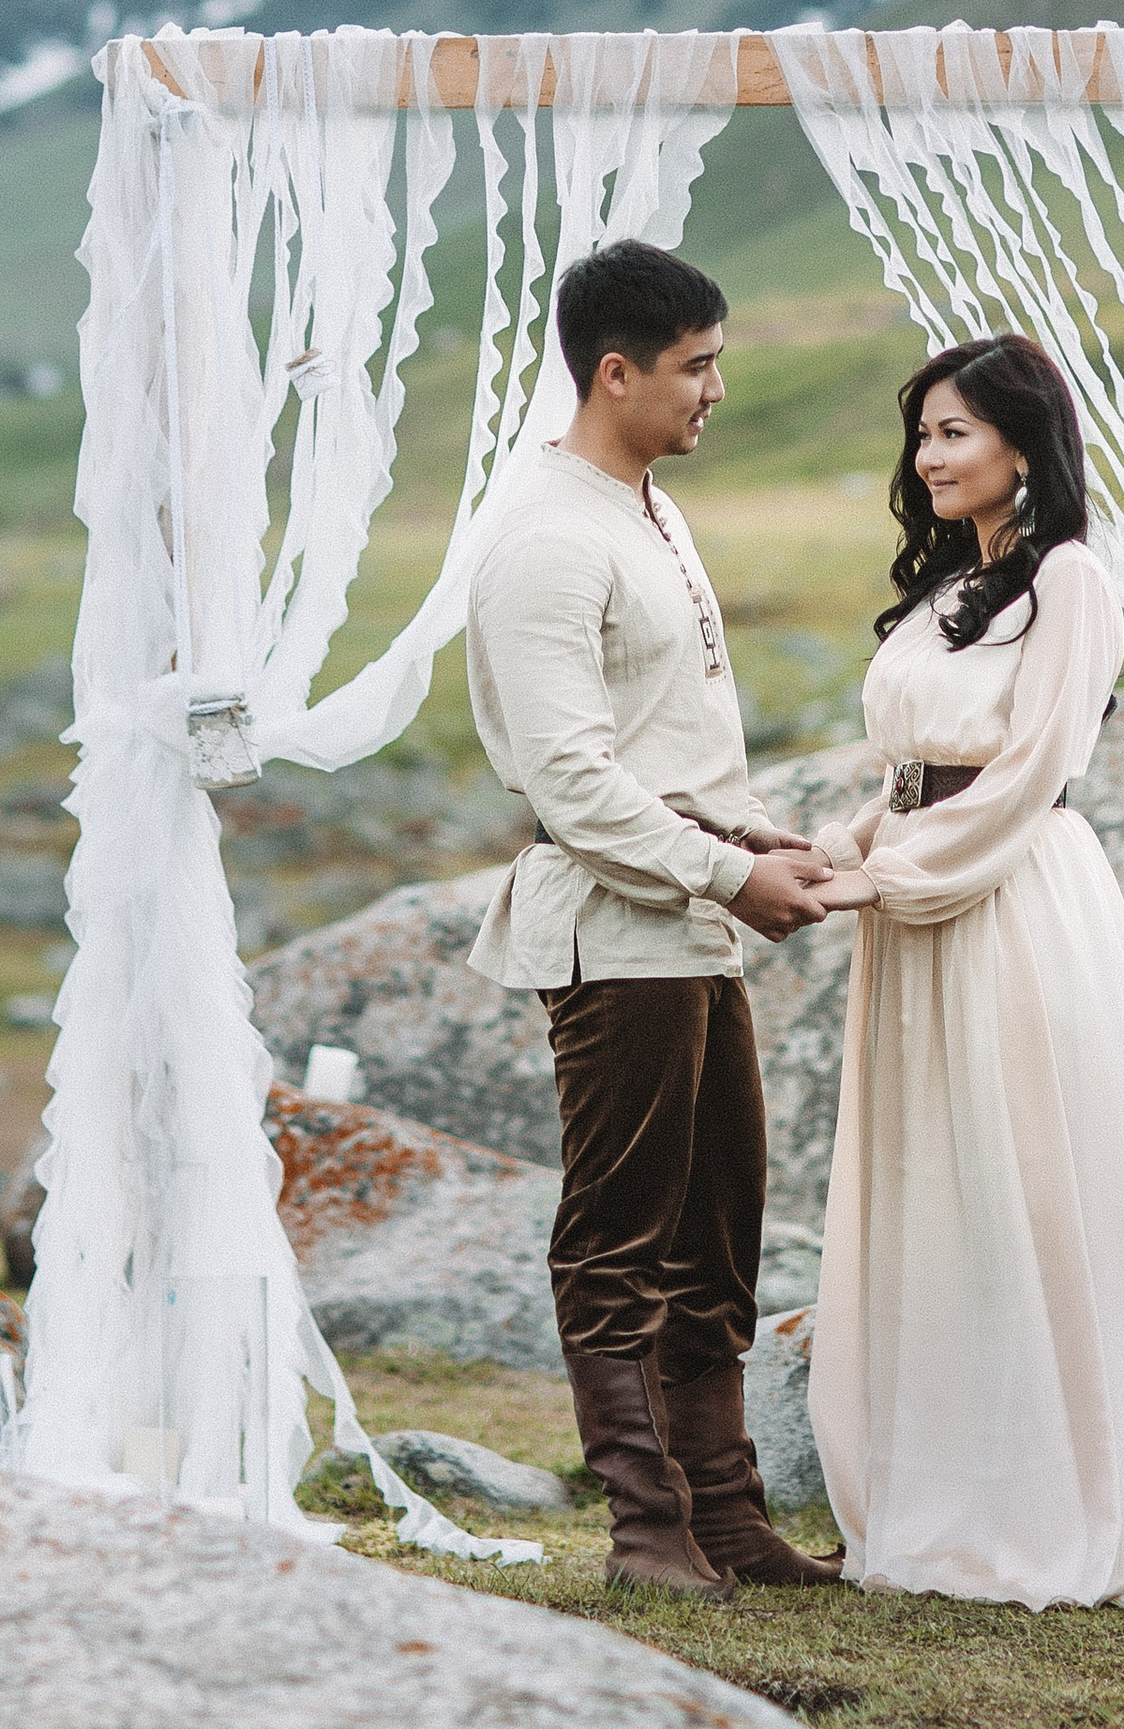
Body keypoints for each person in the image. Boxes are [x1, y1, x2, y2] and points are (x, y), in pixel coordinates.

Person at [805, 332, 1124, 1610]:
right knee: (939, 1191)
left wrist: (892, 876)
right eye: (923, 434)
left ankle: (1060, 1500)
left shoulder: (1068, 581)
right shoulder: (945, 589)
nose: (931, 456)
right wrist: (827, 852)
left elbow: (1027, 773)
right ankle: (945, 1492)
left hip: (1007, 900)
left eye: (956, 431)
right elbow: (910, 768)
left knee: (1029, 1181)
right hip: (912, 899)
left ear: (1025, 443)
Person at [463, 237, 843, 1596]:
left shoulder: (646, 512)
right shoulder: (545, 546)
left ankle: (727, 1519)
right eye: (696, 368)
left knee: (721, 1224)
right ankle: (644, 1530)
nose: (716, 392)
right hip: (617, 934)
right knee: (622, 1234)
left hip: (687, 917)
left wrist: (749, 839)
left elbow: (654, 745)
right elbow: (572, 781)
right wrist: (732, 873)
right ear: (613, 374)